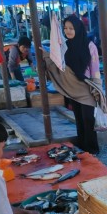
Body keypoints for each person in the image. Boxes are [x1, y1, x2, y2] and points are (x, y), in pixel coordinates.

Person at [43, 15, 103, 154]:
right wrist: (46, 55)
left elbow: (95, 68)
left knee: (88, 118)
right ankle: (82, 147)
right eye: (65, 28)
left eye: (71, 28)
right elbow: (59, 64)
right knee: (79, 118)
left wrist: (97, 87)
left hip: (86, 87)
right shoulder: (65, 46)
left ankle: (92, 149)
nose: (68, 31)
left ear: (78, 28)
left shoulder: (90, 45)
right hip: (72, 87)